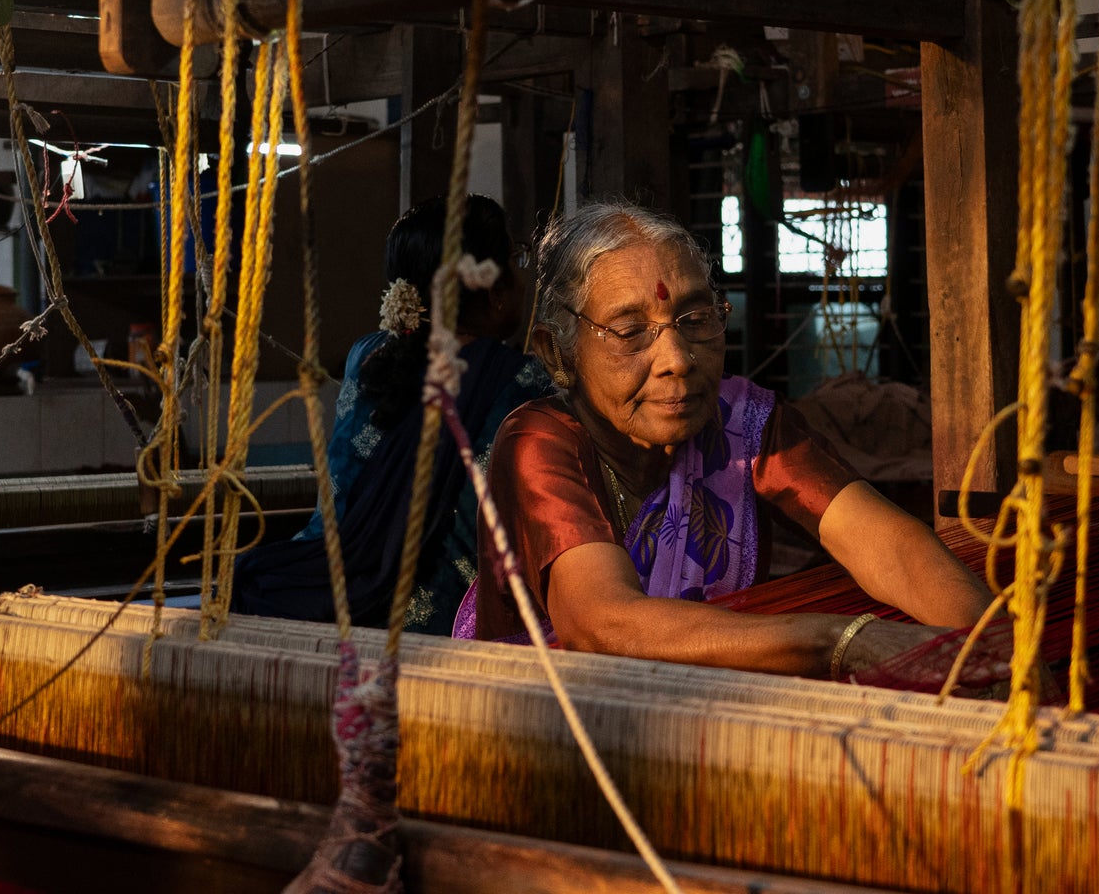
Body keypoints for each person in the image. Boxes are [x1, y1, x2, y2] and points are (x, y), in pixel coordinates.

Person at [453, 202, 995, 682]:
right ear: (556, 354)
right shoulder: (538, 442)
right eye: (630, 331)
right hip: (559, 736)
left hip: (713, 727)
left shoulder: (742, 421)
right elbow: (602, 624)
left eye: (694, 319)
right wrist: (842, 642)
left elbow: (891, 547)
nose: (678, 359)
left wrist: (991, 647)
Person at [233, 195, 551, 635]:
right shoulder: (525, 381)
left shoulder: (369, 355)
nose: (523, 275)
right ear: (495, 293)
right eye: (516, 259)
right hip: (441, 620)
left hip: (320, 585)